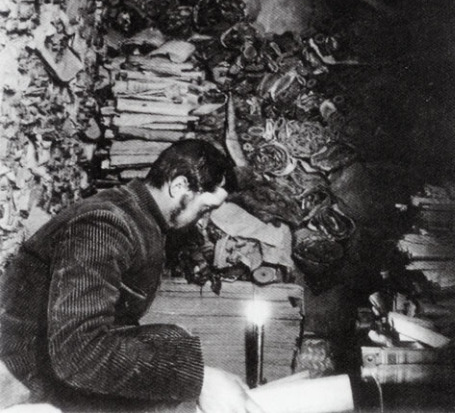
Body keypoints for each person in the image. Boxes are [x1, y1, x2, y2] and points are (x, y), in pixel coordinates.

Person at [0, 139, 262, 413]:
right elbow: (78, 353)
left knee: (175, 341)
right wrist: (200, 380)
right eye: (205, 208)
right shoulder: (105, 223)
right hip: (21, 378)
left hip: (48, 366)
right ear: (179, 185)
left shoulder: (140, 217)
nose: (202, 219)